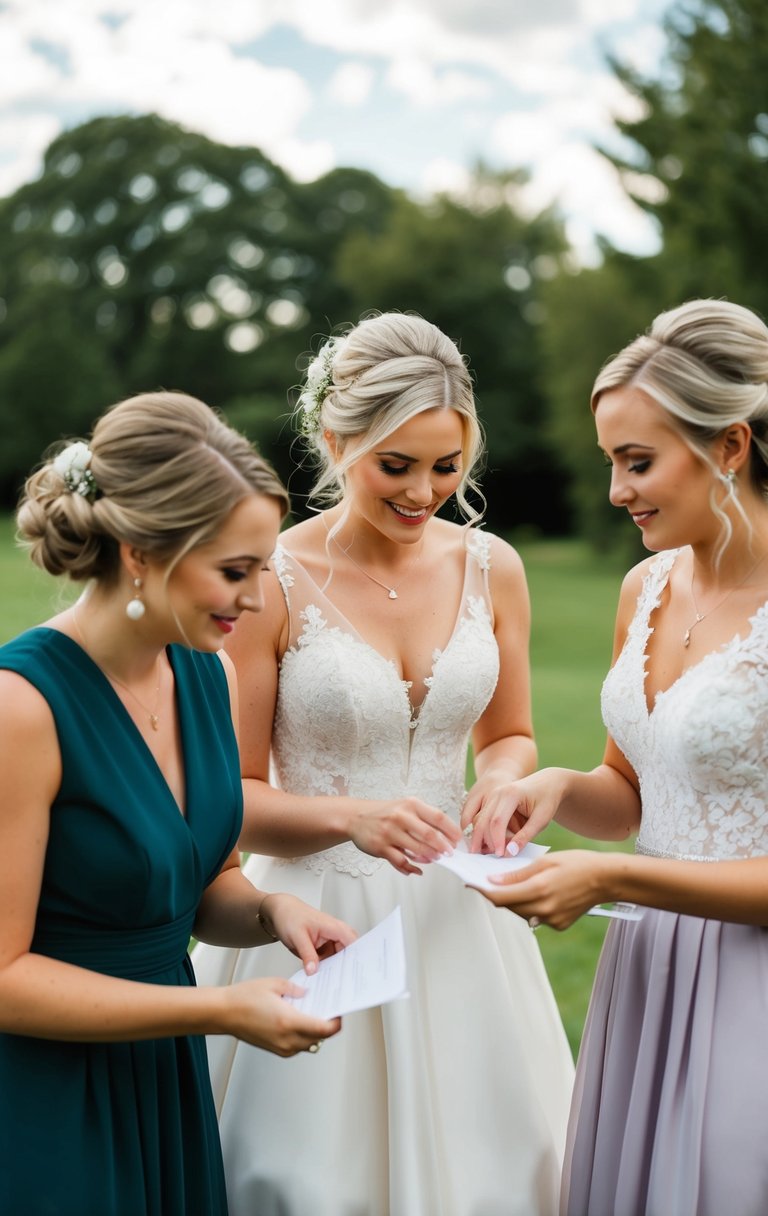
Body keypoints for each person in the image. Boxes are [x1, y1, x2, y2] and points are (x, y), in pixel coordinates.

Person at [192, 312, 574, 1215]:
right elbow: (233, 796)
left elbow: (509, 732)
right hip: (318, 921)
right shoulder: (271, 579)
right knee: (307, 1177)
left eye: (447, 466)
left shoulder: (493, 567)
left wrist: (504, 780)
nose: (424, 492)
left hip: (463, 920)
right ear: (334, 439)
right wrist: (350, 818)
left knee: (499, 1166)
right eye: (394, 465)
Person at [470, 299, 768, 1216]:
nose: (617, 492)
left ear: (730, 448)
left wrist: (614, 883)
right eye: (611, 463)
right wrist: (555, 789)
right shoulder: (645, 586)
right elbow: (630, 793)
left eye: (638, 462)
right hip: (648, 978)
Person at [0, 391, 358, 1216]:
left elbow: (202, 886)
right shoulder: (24, 707)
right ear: (139, 553)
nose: (259, 600)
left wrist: (273, 913)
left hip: (163, 1074)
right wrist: (217, 1008)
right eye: (235, 571)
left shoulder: (209, 674)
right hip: (47, 1096)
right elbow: (6, 974)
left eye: (264, 567)